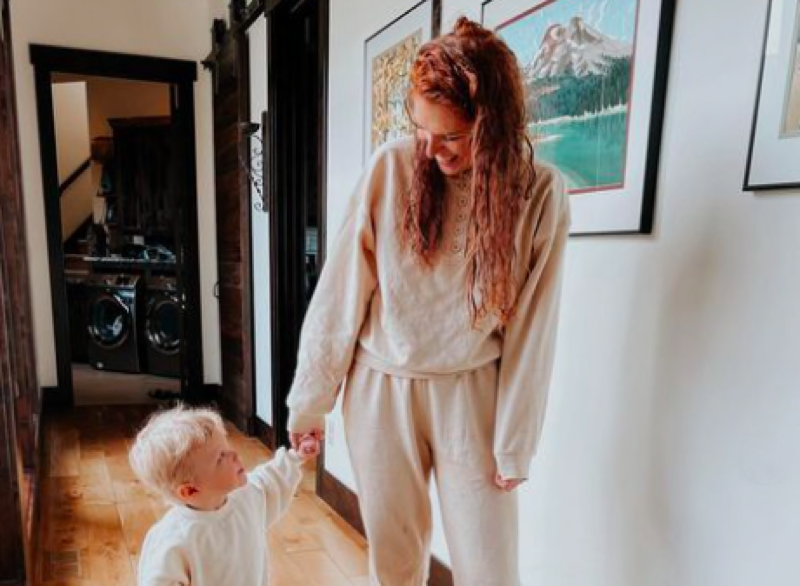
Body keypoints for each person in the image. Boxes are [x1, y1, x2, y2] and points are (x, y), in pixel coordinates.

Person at [286, 16, 570, 585]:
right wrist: (310, 402)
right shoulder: (391, 168)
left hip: (472, 392)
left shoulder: (539, 191)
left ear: (492, 123)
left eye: (452, 136)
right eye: (421, 129)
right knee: (394, 564)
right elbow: (341, 290)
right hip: (380, 388)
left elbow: (535, 326)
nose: (431, 148)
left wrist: (515, 442)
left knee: (490, 569)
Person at [129, 405, 320, 586]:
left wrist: (297, 455)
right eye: (220, 457)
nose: (234, 454)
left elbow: (270, 480)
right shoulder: (173, 539)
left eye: (227, 447)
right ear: (190, 490)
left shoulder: (246, 496)